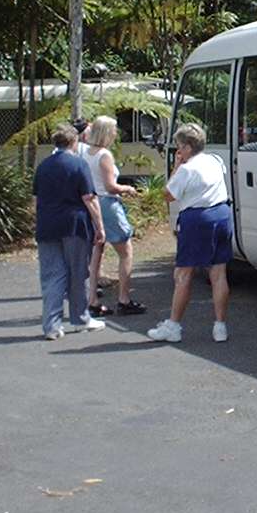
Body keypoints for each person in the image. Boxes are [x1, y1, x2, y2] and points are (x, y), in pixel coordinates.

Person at [147, 123, 233, 344]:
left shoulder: (187, 169)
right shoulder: (215, 160)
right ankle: (220, 326)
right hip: (221, 214)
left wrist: (176, 166)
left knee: (184, 274)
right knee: (218, 273)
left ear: (187, 147)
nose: (178, 150)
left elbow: (168, 195)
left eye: (179, 146)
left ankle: (173, 326)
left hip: (196, 218)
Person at [34, 123, 106, 339]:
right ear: (74, 142)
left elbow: (36, 198)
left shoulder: (43, 166)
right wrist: (99, 226)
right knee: (78, 272)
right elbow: (89, 198)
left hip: (47, 224)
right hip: (74, 224)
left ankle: (52, 325)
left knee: (52, 275)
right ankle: (80, 318)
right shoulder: (78, 164)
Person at [82, 115, 145, 317]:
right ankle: (124, 299)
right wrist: (128, 188)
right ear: (107, 133)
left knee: (96, 252)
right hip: (107, 204)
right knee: (125, 251)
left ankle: (92, 299)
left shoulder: (86, 153)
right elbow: (110, 186)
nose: (116, 134)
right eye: (114, 130)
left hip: (92, 203)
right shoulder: (104, 155)